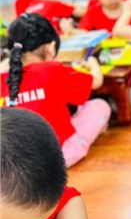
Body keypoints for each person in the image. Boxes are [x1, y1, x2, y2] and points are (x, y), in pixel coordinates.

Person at [1, 14, 111, 168]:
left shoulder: (3, 77)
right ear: (51, 48)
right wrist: (93, 64)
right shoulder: (53, 70)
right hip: (59, 157)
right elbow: (96, 82)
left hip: (16, 165)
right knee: (100, 105)